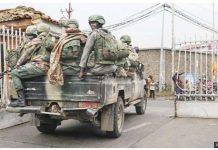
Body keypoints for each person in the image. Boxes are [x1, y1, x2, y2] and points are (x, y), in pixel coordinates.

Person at [9, 23, 56, 107]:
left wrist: (18, 64)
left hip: (39, 66)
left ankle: (21, 100)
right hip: (47, 67)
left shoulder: (38, 39)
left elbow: (27, 54)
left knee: (14, 73)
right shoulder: (52, 39)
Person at [48, 19, 87, 85]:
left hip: (71, 67)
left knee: (52, 73)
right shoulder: (67, 37)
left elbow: (70, 55)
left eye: (67, 27)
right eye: (66, 27)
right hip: (67, 65)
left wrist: (57, 56)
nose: (66, 29)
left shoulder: (76, 39)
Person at [79, 15, 117, 79]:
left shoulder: (94, 34)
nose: (91, 25)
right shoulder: (110, 35)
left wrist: (81, 71)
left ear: (99, 23)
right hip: (112, 68)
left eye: (94, 23)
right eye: (90, 23)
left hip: (98, 69)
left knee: (89, 70)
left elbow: (86, 51)